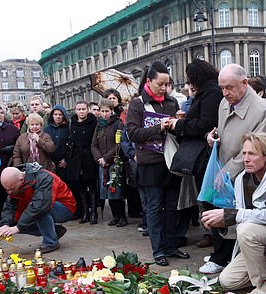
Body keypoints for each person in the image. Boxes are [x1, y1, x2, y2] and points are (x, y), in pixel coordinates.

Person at [199, 64, 266, 275]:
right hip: (222, 164)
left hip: (244, 172)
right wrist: (212, 138)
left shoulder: (261, 109)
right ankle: (220, 253)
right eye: (222, 88)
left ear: (244, 83)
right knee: (213, 204)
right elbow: (223, 131)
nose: (225, 93)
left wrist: (229, 171)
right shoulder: (224, 102)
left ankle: (224, 257)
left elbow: (259, 146)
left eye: (229, 88)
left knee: (234, 213)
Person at [203, 133, 266, 294]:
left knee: (247, 230)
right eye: (244, 153)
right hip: (257, 240)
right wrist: (223, 223)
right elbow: (240, 217)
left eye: (252, 154)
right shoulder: (241, 179)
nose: (246, 159)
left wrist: (231, 215)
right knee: (227, 281)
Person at [125, 61, 188, 266]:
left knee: (172, 207)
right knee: (153, 208)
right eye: (160, 84)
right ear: (149, 81)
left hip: (170, 161)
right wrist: (158, 127)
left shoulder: (171, 103)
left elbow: (178, 132)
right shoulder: (137, 104)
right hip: (150, 164)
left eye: (166, 84)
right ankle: (158, 250)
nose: (164, 88)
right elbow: (133, 133)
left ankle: (171, 246)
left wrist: (178, 122)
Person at [167, 59, 223, 249]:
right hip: (203, 154)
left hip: (206, 155)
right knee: (206, 200)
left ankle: (219, 246)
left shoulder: (211, 93)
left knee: (210, 200)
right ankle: (215, 241)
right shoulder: (207, 92)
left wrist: (179, 125)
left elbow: (206, 124)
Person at [0, 165, 75, 254]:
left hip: (65, 207)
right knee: (14, 225)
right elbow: (10, 206)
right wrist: (5, 224)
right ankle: (54, 231)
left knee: (38, 209)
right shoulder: (15, 184)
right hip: (43, 205)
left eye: (11, 189)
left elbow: (41, 205)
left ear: (21, 180)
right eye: (7, 190)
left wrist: (18, 227)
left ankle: (50, 243)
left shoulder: (44, 177)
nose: (9, 192)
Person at [91, 99, 127, 227]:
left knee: (116, 190)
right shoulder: (99, 126)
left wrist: (107, 158)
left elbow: (119, 144)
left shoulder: (118, 124)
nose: (104, 114)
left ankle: (122, 216)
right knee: (106, 191)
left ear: (112, 111)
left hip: (114, 162)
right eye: (102, 111)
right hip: (102, 164)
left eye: (107, 111)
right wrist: (99, 158)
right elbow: (94, 145)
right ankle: (115, 216)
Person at [66, 100, 99, 224]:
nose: (81, 112)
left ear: (87, 109)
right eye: (79, 109)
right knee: (81, 187)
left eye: (83, 109)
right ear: (75, 110)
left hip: (89, 157)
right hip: (76, 158)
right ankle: (85, 212)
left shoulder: (93, 122)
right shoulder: (73, 122)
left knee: (91, 185)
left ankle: (94, 213)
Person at [43, 105, 71, 180]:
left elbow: (72, 146)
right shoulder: (47, 129)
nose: (58, 117)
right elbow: (44, 146)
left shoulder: (69, 128)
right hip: (51, 164)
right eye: (55, 114)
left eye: (60, 114)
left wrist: (66, 160)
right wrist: (49, 161)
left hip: (65, 164)